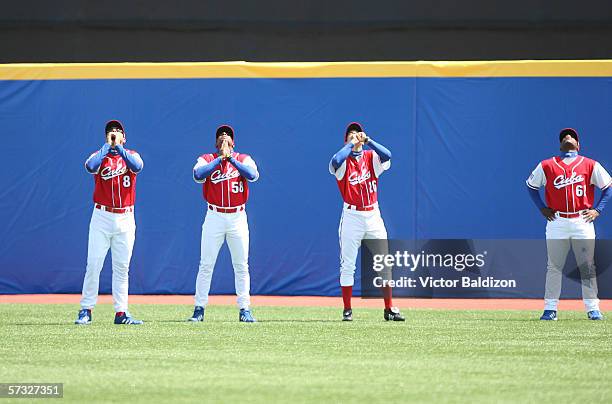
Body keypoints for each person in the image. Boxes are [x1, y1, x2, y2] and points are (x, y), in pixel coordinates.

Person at [526, 128, 612, 320]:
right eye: (565, 136)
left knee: (587, 265)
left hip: (582, 220)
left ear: (578, 145)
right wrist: (541, 207)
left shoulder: (590, 164)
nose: (568, 137)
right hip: (557, 221)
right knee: (554, 266)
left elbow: (608, 188)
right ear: (560, 145)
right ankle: (550, 309)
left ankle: (592, 308)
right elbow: (531, 186)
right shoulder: (547, 165)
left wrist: (598, 210)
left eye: (572, 136)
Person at [329, 122, 404, 322]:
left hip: (372, 215)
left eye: (357, 133)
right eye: (351, 135)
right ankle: (347, 309)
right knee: (348, 265)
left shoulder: (371, 157)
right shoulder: (343, 161)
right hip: (351, 216)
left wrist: (368, 140)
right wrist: (350, 144)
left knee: (384, 262)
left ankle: (389, 308)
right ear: (345, 140)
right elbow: (336, 160)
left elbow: (387, 155)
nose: (356, 137)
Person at [76, 120, 144, 325]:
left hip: (125, 217)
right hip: (102, 216)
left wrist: (119, 149)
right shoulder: (99, 156)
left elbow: (137, 166)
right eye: (110, 131)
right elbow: (90, 167)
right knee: (94, 264)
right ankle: (86, 309)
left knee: (122, 267)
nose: (114, 133)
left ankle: (121, 313)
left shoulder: (132, 155)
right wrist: (107, 147)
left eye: (117, 131)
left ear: (124, 136)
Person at [189, 125, 259, 322]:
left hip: (237, 217)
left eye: (228, 136)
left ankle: (244, 309)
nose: (224, 138)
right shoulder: (208, 159)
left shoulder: (244, 158)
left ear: (233, 142)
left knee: (241, 265)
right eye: (221, 136)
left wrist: (231, 159)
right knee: (206, 264)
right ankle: (199, 309)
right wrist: (221, 159)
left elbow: (253, 175)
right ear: (215, 142)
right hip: (214, 216)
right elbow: (197, 174)